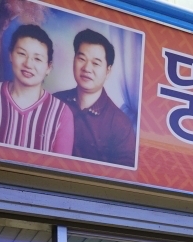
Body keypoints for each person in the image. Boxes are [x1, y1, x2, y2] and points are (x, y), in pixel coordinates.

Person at [0, 24, 74, 155]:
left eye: (37, 59)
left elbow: (60, 166)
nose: (28, 64)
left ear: (48, 67)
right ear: (10, 55)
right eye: (22, 54)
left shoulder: (61, 113)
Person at [54, 28, 137, 167]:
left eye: (96, 63)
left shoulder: (120, 124)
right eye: (81, 59)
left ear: (108, 71)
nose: (87, 68)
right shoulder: (54, 102)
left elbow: (124, 174)